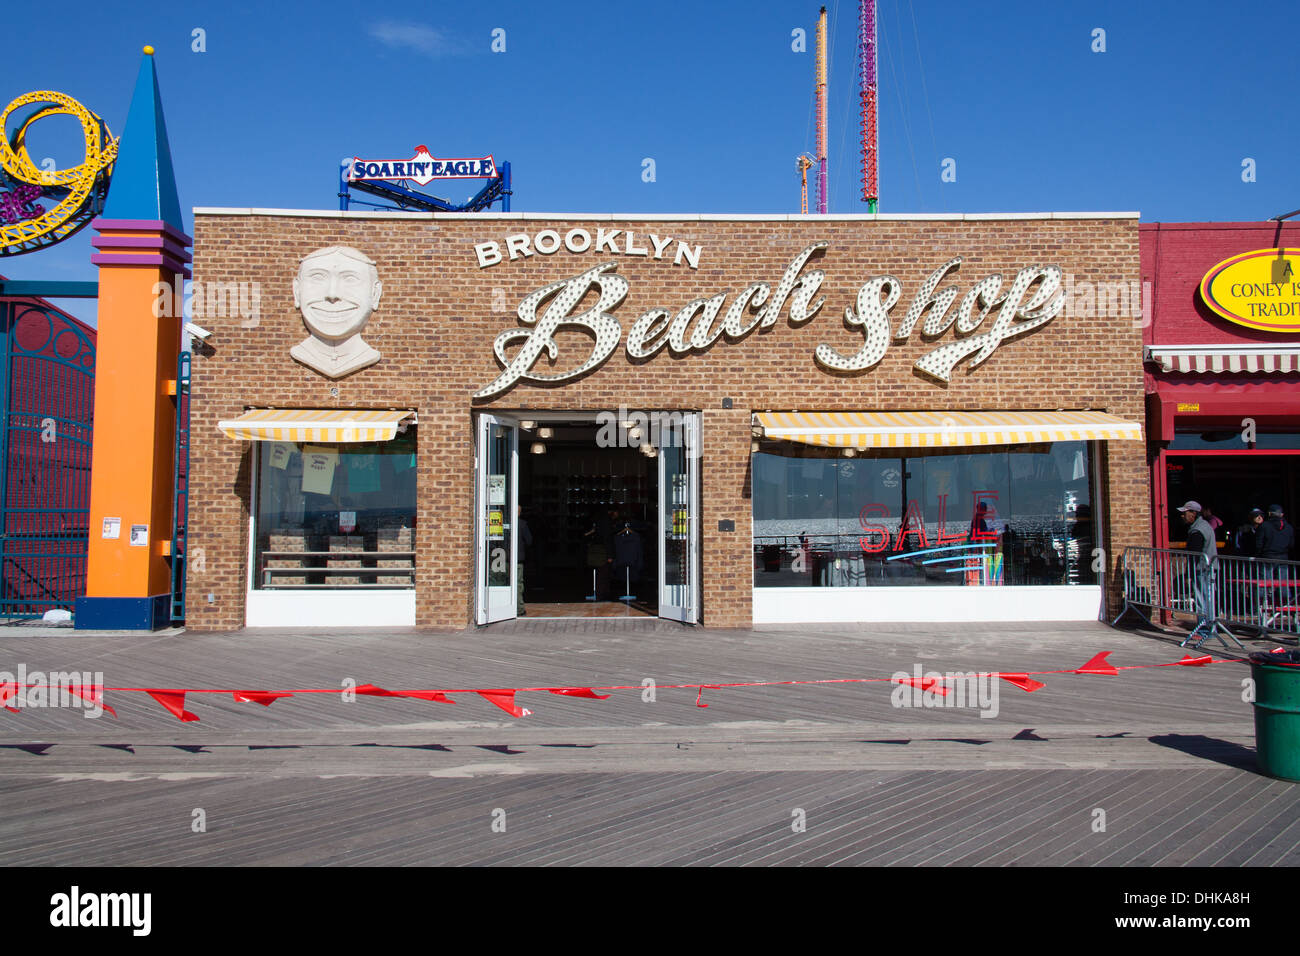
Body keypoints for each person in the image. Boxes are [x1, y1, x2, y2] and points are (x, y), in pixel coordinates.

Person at [1178, 501, 1218, 632]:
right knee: (1208, 598)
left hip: (1202, 569)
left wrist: (1188, 574)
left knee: (1202, 599)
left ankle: (1204, 629)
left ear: (1193, 513)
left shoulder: (1197, 530)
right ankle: (1209, 627)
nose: (1182, 516)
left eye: (1185, 513)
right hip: (1208, 568)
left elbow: (1194, 555)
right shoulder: (1205, 526)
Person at [516, 504, 532, 617]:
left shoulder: (503, 523)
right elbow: (529, 541)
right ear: (520, 513)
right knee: (518, 584)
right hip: (518, 559)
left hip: (501, 559)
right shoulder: (522, 524)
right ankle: (519, 609)